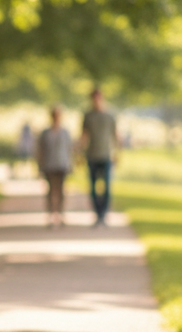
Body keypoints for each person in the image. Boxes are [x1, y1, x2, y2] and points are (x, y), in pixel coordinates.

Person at [80, 87, 119, 227]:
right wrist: (79, 154)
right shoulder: (88, 116)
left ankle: (104, 214)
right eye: (94, 98)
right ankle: (97, 214)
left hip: (106, 155)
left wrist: (118, 153)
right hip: (91, 156)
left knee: (107, 186)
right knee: (93, 187)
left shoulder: (110, 116)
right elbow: (83, 136)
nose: (96, 100)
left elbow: (116, 136)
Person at [35, 106, 72, 228]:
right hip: (49, 165)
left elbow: (69, 149)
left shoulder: (65, 132)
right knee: (50, 190)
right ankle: (51, 214)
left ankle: (60, 214)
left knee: (61, 190)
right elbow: (40, 150)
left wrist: (71, 163)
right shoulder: (45, 133)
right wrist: (39, 165)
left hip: (62, 164)